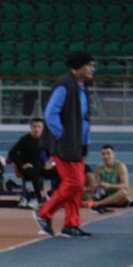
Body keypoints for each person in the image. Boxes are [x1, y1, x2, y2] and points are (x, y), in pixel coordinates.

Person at [34, 52, 97, 239]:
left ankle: (71, 224)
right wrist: (62, 135)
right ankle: (44, 213)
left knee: (77, 185)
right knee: (74, 182)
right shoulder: (64, 85)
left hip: (79, 143)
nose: (93, 69)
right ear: (78, 67)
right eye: (90, 65)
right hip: (66, 144)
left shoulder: (81, 86)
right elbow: (51, 113)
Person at [7, 118, 59, 208]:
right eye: (34, 126)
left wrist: (50, 163)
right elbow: (12, 153)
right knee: (34, 173)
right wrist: (22, 164)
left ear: (43, 128)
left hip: (41, 167)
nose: (36, 129)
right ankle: (38, 199)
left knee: (59, 172)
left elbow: (53, 154)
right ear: (31, 127)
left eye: (39, 127)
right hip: (27, 168)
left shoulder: (45, 141)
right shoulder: (25, 140)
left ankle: (54, 196)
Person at [85, 145, 133, 210]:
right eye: (103, 154)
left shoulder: (120, 166)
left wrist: (110, 186)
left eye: (108, 153)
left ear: (113, 155)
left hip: (117, 195)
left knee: (123, 193)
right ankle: (101, 203)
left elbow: (125, 185)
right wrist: (96, 187)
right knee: (84, 194)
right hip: (104, 195)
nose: (106, 156)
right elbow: (97, 186)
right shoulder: (99, 168)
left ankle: (97, 204)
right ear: (100, 156)